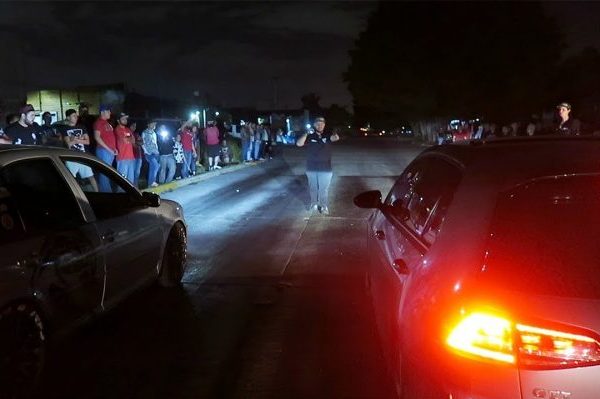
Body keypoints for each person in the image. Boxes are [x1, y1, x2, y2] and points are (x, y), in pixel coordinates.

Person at [296, 116, 340, 215]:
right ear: (314, 125)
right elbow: (299, 144)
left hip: (326, 168)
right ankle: (314, 204)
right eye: (317, 123)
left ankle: (324, 206)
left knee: (323, 189)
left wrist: (335, 132)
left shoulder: (327, 135)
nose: (319, 125)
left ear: (324, 125)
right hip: (311, 167)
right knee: (313, 187)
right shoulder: (310, 135)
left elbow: (335, 138)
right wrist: (306, 133)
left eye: (322, 123)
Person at [56, 109, 98, 191]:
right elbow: (69, 144)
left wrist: (75, 139)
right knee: (70, 179)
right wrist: (80, 138)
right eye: (73, 116)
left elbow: (88, 141)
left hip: (82, 156)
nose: (76, 117)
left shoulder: (81, 127)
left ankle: (98, 194)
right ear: (68, 117)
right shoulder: (65, 129)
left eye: (76, 115)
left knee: (91, 177)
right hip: (71, 157)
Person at [94, 104, 116, 191]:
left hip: (109, 151)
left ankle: (107, 191)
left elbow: (109, 138)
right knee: (105, 173)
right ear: (102, 112)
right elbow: (97, 137)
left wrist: (114, 149)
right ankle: (107, 193)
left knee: (107, 173)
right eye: (108, 111)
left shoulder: (107, 123)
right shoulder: (99, 122)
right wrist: (109, 149)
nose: (110, 112)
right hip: (104, 151)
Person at [114, 113, 136, 185]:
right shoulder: (117, 129)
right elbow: (125, 140)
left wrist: (129, 138)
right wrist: (129, 138)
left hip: (131, 157)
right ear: (118, 120)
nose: (125, 120)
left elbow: (133, 141)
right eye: (123, 119)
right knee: (122, 181)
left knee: (131, 181)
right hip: (122, 158)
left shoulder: (128, 129)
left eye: (126, 118)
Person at [141, 120, 160, 187]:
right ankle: (151, 182)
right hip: (149, 153)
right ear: (148, 124)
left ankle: (151, 183)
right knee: (155, 165)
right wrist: (146, 151)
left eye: (155, 124)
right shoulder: (144, 132)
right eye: (152, 124)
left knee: (154, 167)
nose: (154, 125)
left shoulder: (154, 133)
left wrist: (157, 151)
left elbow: (155, 143)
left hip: (155, 153)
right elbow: (142, 143)